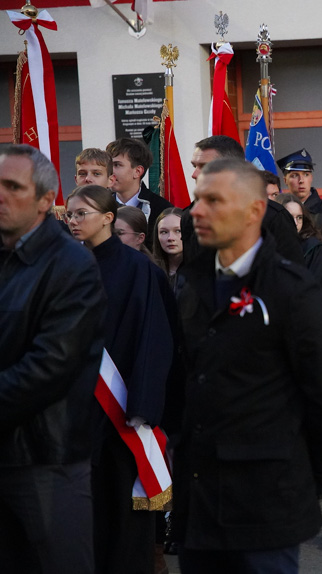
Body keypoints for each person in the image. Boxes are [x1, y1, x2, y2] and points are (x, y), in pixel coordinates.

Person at [172, 158, 322, 573]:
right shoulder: (195, 283)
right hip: (199, 503)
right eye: (198, 199)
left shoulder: (292, 292)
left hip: (265, 503)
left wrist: (301, 479)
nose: (197, 211)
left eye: (214, 200)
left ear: (254, 211)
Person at [0, 145, 106, 573]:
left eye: (12, 187)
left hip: (46, 458)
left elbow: (50, 368)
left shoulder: (71, 265)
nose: (0, 196)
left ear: (46, 200)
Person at [65, 184, 173, 574]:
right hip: (74, 410)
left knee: (124, 514)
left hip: (122, 410)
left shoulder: (138, 268)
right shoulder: (66, 265)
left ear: (109, 217)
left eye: (82, 213)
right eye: (70, 214)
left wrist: (143, 405)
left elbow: (154, 338)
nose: (74, 221)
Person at [182, 136, 303, 266]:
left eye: (204, 166)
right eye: (195, 166)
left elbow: (292, 276)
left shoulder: (273, 217)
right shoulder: (190, 216)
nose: (194, 174)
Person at [106, 138, 173, 242]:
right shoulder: (101, 205)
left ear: (137, 171)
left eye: (117, 165)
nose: (110, 171)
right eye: (109, 165)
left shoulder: (160, 209)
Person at [274, 193, 322, 291]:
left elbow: (317, 292)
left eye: (299, 217)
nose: (295, 223)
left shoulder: (315, 250)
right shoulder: (265, 245)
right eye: (290, 217)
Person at [276, 148, 322, 230]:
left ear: (311, 178)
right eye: (294, 175)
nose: (301, 181)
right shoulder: (278, 209)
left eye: (306, 174)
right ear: (285, 180)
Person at [153, 207, 185, 292]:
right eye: (164, 232)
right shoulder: (149, 270)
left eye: (178, 231)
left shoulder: (204, 272)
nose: (170, 238)